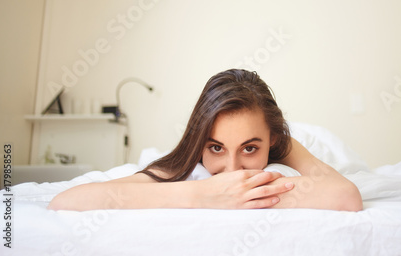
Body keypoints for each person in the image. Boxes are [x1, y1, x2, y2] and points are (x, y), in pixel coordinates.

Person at [48, 69, 362, 211]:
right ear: (199, 142)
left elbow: (346, 195)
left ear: (272, 140)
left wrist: (246, 197)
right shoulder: (181, 165)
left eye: (250, 148)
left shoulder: (284, 143)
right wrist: (203, 195)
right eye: (216, 148)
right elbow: (66, 201)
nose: (233, 169)